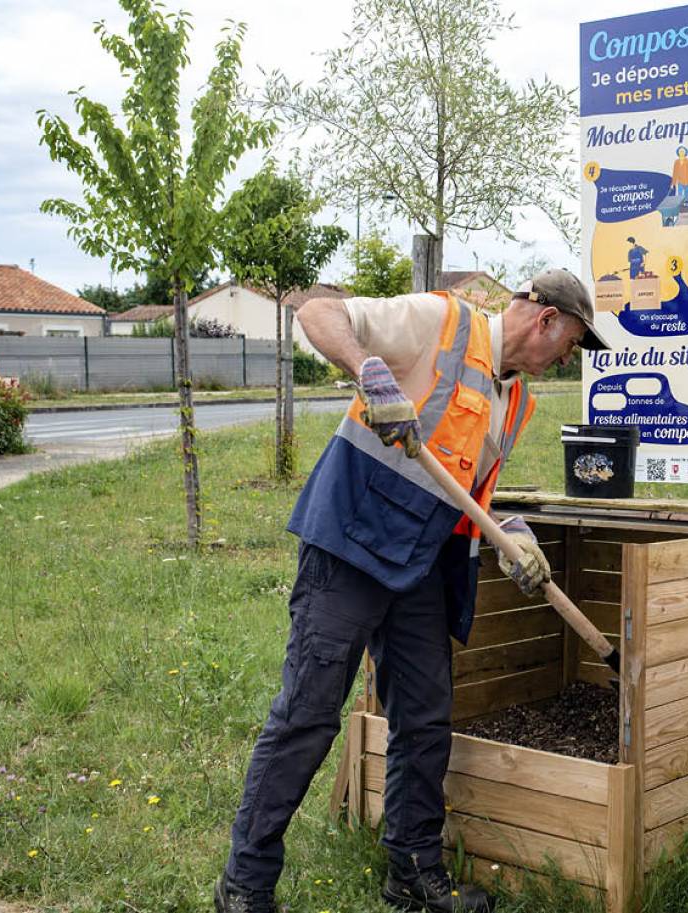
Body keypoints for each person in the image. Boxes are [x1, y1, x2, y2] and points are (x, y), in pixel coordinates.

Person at [214, 270, 609, 913]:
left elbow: (465, 497)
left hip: (419, 562)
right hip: (350, 540)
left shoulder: (514, 402)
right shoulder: (441, 322)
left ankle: (414, 875)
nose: (568, 359)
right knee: (309, 714)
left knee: (424, 719)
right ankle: (246, 884)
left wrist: (514, 534)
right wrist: (369, 373)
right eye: (571, 344)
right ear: (545, 320)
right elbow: (318, 314)